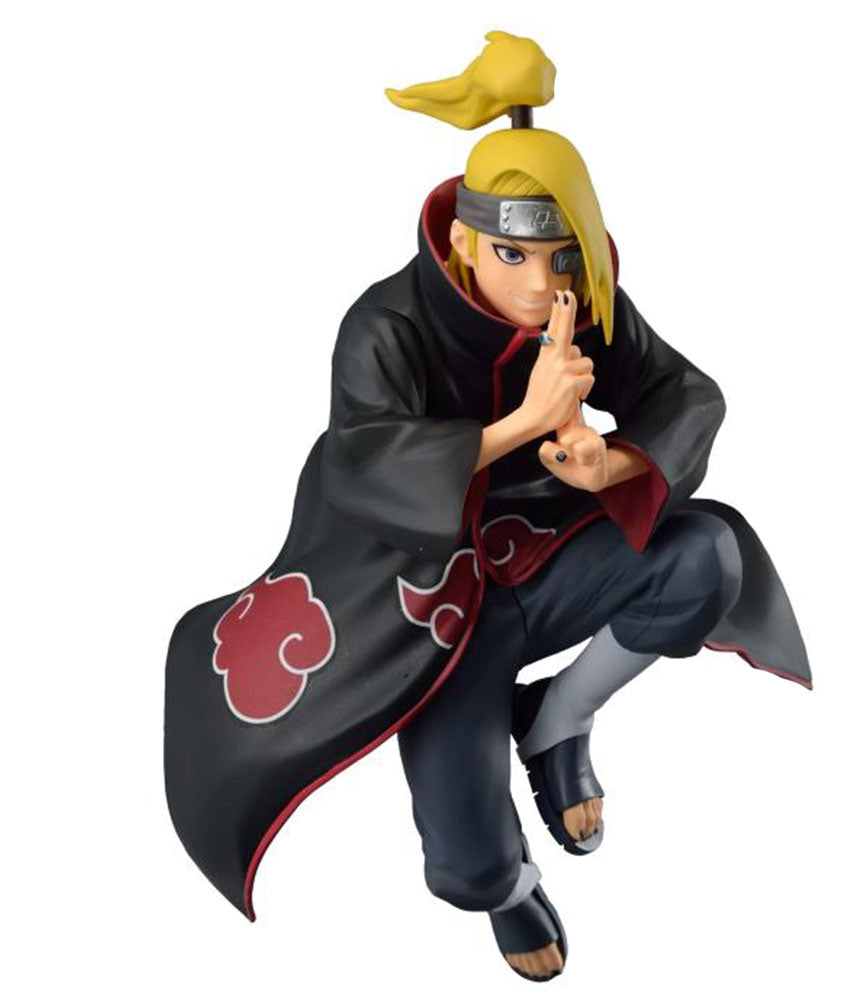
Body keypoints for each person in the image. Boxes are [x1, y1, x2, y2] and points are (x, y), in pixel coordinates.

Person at [165, 31, 810, 983]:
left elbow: (687, 394)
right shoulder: (385, 324)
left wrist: (606, 461)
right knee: (467, 861)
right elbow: (359, 467)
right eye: (514, 254)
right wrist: (524, 425)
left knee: (706, 557)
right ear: (466, 241)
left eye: (563, 258)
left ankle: (555, 719)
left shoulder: (583, 306)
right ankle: (510, 887)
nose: (542, 285)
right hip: (428, 612)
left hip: (549, 560)